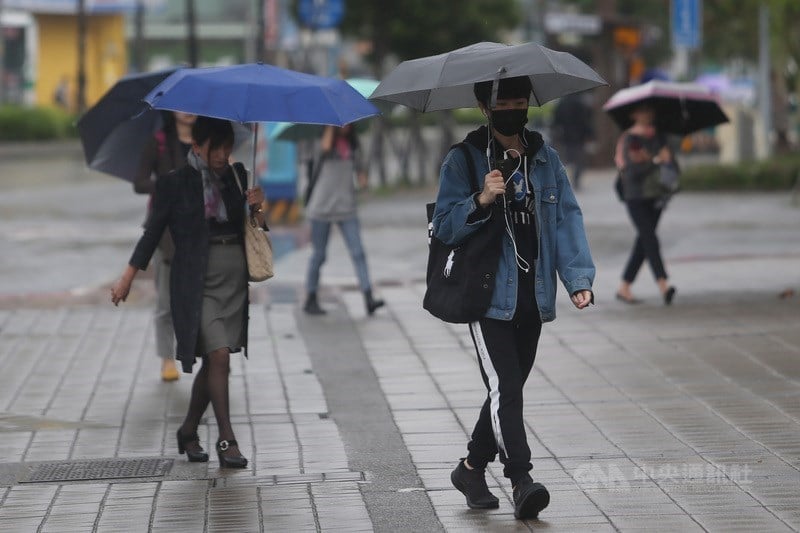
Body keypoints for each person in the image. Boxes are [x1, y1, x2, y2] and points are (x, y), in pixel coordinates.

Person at [433, 76, 595, 520]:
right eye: (504, 101)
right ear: (485, 107)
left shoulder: (545, 159)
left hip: (533, 296)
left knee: (509, 389)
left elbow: (566, 220)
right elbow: (443, 227)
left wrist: (577, 278)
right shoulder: (464, 159)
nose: (513, 107)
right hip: (488, 297)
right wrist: (481, 198)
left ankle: (470, 468)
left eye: (520, 100)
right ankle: (521, 478)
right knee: (506, 386)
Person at [111, 116, 266, 468]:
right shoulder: (175, 183)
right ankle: (227, 439)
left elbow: (254, 227)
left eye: (227, 147)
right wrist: (127, 277)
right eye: (216, 147)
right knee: (220, 356)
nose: (222, 155)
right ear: (196, 146)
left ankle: (188, 429)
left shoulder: (238, 176)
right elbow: (151, 234)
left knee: (216, 357)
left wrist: (258, 206)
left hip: (233, 280)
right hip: (198, 280)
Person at [133, 111, 197, 382]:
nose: (187, 111)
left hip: (198, 225)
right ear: (170, 110)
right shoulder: (158, 141)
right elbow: (139, 182)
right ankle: (167, 359)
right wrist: (165, 186)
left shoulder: (205, 141)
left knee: (200, 297)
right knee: (165, 301)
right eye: (181, 106)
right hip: (164, 230)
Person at [302, 124, 385, 316]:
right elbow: (323, 149)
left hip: (347, 207)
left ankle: (368, 297)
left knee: (358, 253)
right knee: (319, 255)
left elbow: (361, 177)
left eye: (348, 122)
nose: (345, 125)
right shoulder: (319, 141)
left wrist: (364, 179)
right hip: (321, 207)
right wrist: (331, 125)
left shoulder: (353, 145)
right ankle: (311, 297)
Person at [614, 103, 677, 305]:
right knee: (649, 238)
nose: (647, 114)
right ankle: (663, 284)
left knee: (644, 241)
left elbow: (671, 165)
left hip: (657, 195)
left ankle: (624, 287)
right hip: (636, 196)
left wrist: (665, 161)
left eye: (649, 110)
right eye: (642, 111)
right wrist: (656, 160)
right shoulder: (629, 139)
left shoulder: (659, 136)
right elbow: (632, 171)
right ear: (633, 114)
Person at [551, 92, 594, 190]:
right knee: (579, 160)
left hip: (565, 136)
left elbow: (556, 120)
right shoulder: (581, 103)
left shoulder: (561, 103)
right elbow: (586, 120)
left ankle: (564, 180)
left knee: (566, 159)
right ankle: (576, 180)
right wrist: (590, 134)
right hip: (579, 136)